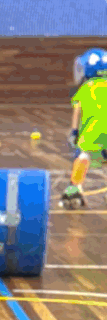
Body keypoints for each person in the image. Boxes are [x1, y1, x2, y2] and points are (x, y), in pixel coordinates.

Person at [60, 48, 107, 209]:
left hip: (92, 133)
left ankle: (74, 190)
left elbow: (77, 111)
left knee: (82, 156)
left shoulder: (85, 88)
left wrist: (74, 132)